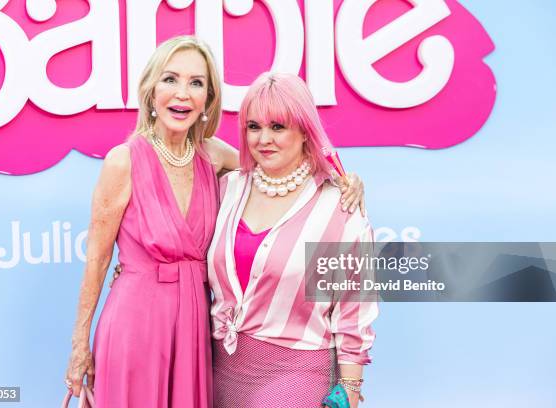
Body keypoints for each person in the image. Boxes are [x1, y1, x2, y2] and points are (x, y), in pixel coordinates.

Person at [64, 36, 365, 407]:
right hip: (135, 323)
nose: (182, 94)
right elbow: (97, 258)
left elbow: (280, 169)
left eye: (196, 83)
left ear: (208, 100)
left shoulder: (214, 157)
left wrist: (343, 179)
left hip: (195, 330)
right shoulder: (122, 161)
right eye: (170, 79)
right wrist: (80, 345)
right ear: (150, 91)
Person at [207, 73, 378, 408]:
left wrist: (351, 393)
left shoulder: (338, 210)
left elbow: (351, 318)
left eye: (278, 126)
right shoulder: (227, 191)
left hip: (296, 375)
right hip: (217, 372)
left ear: (304, 131)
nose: (263, 139)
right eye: (253, 126)